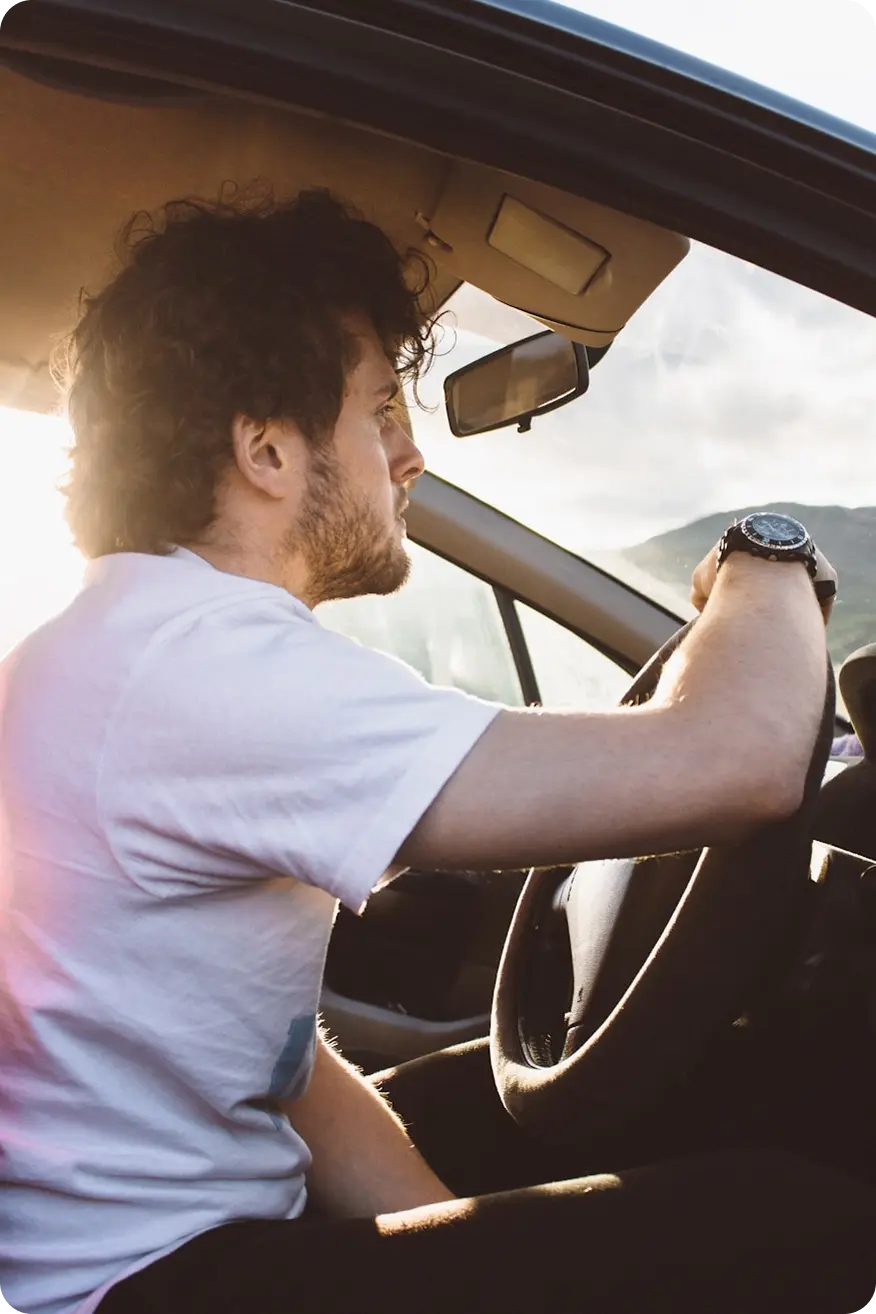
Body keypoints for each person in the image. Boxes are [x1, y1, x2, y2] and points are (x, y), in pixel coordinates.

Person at [0, 186, 873, 1314]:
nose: (410, 455)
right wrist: (769, 556)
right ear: (265, 449)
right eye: (378, 415)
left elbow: (282, 1069)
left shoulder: (125, 642)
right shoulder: (200, 663)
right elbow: (740, 761)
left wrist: (454, 1232)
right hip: (138, 1285)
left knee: (615, 1119)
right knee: (801, 1226)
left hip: (154, 1247)